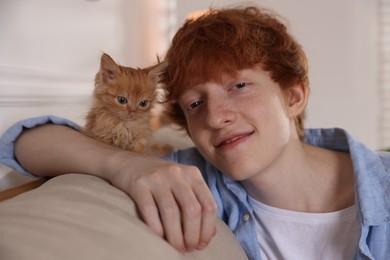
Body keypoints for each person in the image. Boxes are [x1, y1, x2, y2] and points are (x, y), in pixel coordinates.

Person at [1, 5, 389, 260]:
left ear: (293, 96)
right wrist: (124, 165)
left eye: (238, 86)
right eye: (194, 104)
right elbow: (24, 141)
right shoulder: (190, 178)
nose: (217, 117)